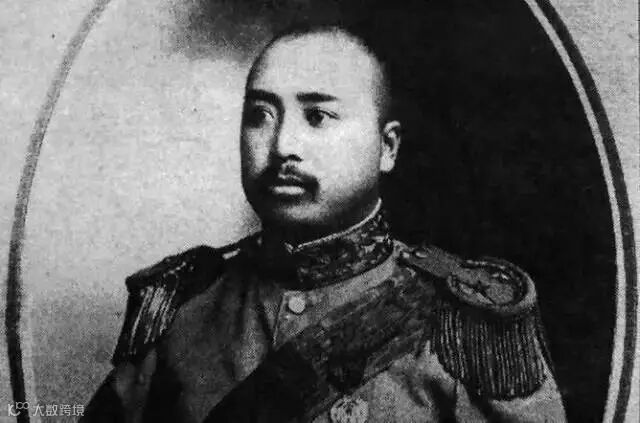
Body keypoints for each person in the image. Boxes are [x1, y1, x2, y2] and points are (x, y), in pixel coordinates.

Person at [82, 23, 566, 423]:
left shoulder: (462, 326)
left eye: (317, 116)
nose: (282, 145)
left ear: (387, 147)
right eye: (260, 115)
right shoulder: (184, 306)